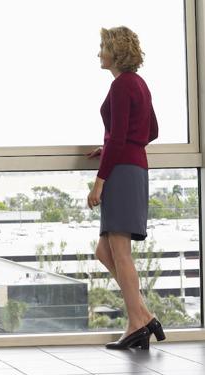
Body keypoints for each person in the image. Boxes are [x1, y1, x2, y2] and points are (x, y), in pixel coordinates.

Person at [86, 26, 164, 350]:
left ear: (115, 51)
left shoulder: (121, 85)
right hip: (134, 168)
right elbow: (152, 130)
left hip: (121, 174)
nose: (99, 52)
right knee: (105, 251)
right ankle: (143, 315)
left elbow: (119, 136)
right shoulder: (139, 84)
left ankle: (139, 321)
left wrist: (98, 184)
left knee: (120, 253)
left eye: (103, 47)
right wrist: (116, 148)